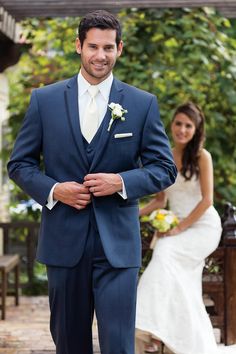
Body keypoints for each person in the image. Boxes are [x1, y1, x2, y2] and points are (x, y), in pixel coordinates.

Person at [7, 10, 177, 354]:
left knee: (118, 344)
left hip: (117, 246)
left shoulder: (143, 104)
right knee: (70, 344)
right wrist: (55, 190)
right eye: (93, 47)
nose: (101, 56)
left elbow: (164, 168)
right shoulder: (45, 101)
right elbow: (19, 164)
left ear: (120, 49)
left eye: (109, 48)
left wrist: (121, 182)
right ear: (78, 46)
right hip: (64, 242)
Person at [135, 101, 225, 354]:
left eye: (188, 126)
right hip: (177, 227)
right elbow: (161, 199)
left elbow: (207, 200)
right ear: (171, 124)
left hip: (203, 226)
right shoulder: (164, 155)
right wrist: (135, 214)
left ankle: (150, 327)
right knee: (177, 274)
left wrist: (178, 228)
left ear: (196, 130)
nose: (182, 130)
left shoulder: (202, 157)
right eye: (178, 123)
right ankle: (161, 333)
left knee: (164, 251)